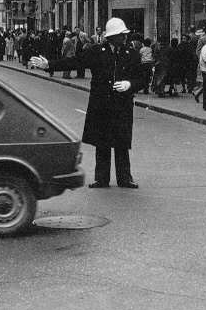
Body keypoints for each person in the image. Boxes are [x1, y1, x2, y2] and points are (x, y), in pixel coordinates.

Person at [29, 17, 144, 188]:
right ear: (112, 36)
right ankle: (102, 178)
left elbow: (142, 78)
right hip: (102, 105)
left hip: (121, 105)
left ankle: (125, 178)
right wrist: (49, 65)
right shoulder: (97, 51)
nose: (125, 37)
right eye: (121, 34)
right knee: (102, 143)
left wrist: (130, 84)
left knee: (121, 143)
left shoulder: (131, 54)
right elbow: (75, 61)